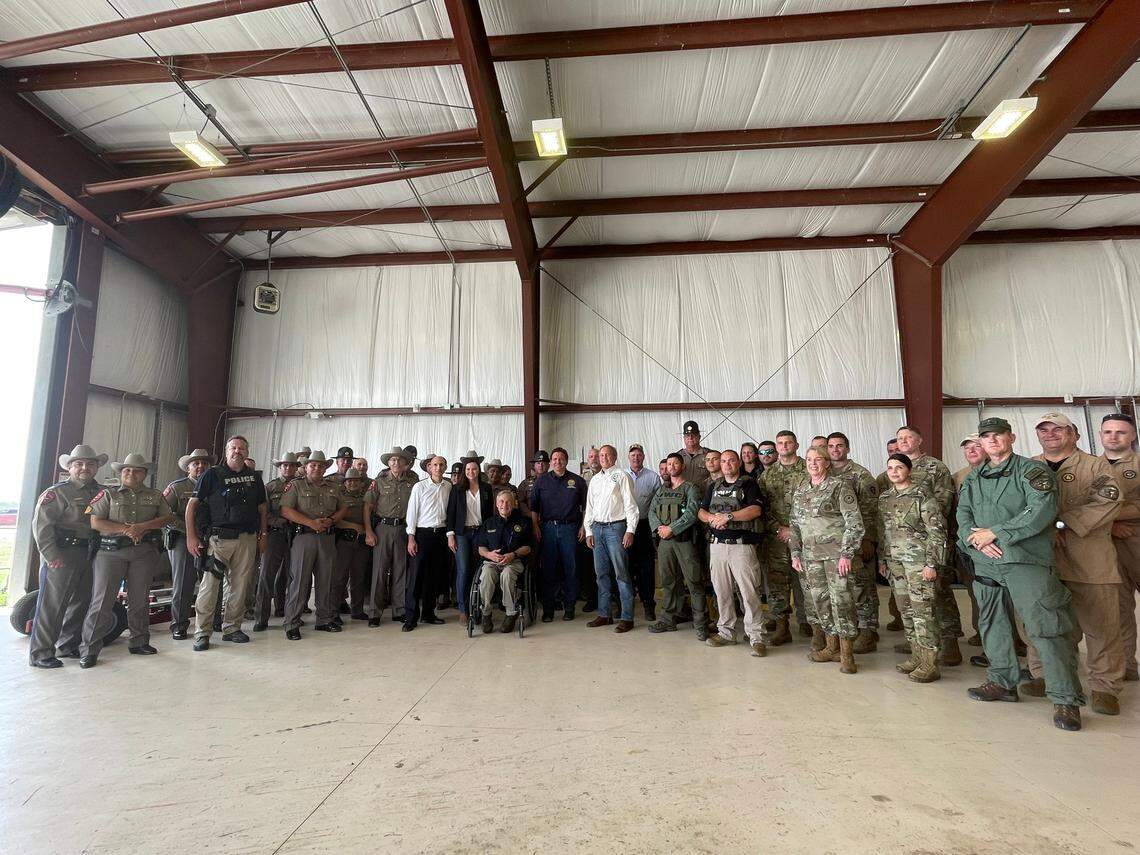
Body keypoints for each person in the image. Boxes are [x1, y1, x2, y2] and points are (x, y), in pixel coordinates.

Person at [958, 417, 1085, 732]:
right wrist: (975, 541)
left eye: (998, 435)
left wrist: (995, 534)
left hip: (1025, 560)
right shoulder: (975, 478)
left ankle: (1065, 699)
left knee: (1047, 627)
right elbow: (963, 515)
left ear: (1010, 437)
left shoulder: (1032, 472)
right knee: (993, 624)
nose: (992, 441)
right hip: (987, 562)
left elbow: (1040, 511)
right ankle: (1002, 681)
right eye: (985, 437)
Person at [1025, 413, 1123, 716]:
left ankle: (1105, 686)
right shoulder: (1029, 466)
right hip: (1043, 559)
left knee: (1100, 624)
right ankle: (1044, 674)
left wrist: (1059, 523)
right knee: (1042, 621)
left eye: (1059, 429)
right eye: (1044, 430)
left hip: (1089, 558)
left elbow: (1109, 500)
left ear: (1074, 435)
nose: (1051, 434)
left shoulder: (1095, 466)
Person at [81, 453, 174, 667]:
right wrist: (125, 529)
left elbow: (167, 518)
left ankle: (139, 641)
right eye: (127, 470)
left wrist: (143, 527)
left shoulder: (155, 495)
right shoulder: (108, 494)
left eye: (137, 470)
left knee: (139, 599)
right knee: (102, 601)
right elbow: (96, 522)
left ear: (145, 474)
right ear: (121, 473)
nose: (132, 473)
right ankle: (89, 649)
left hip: (143, 552)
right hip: (110, 553)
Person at [186, 435, 267, 651]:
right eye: (233, 447)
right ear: (226, 451)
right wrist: (191, 537)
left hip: (247, 539)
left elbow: (262, 509)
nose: (237, 451)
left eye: (242, 448)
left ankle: (232, 629)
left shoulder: (254, 478)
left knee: (240, 588)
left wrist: (263, 535)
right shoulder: (211, 475)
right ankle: (202, 633)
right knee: (209, 587)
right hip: (219, 540)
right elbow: (192, 506)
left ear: (247, 452)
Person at [28, 444, 106, 668]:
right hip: (63, 553)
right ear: (70, 467)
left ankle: (67, 645)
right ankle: (41, 653)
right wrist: (51, 555)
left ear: (96, 467)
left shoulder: (101, 492)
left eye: (90, 464)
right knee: (53, 604)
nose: (85, 468)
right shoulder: (58, 493)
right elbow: (41, 527)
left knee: (80, 602)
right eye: (79, 464)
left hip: (90, 552)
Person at [790, 448, 865, 674]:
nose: (813, 464)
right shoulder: (801, 491)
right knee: (820, 602)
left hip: (836, 557)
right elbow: (793, 525)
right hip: (811, 558)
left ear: (826, 462)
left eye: (818, 460)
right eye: (810, 460)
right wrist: (795, 553)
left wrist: (847, 554)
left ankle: (847, 654)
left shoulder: (839, 486)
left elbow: (855, 523)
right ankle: (831, 648)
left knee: (842, 602)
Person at [896, 424, 964, 666]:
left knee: (940, 592)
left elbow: (944, 502)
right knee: (912, 599)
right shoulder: (895, 467)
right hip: (903, 547)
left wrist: (924, 532)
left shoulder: (935, 467)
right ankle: (920, 643)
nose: (904, 441)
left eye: (908, 437)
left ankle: (950, 642)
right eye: (900, 438)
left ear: (920, 440)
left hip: (930, 542)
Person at [879, 453, 945, 683]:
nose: (894, 471)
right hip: (895, 563)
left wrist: (931, 563)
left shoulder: (922, 496)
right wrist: (883, 559)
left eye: (899, 467)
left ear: (908, 470)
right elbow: (883, 532)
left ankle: (930, 663)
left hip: (919, 564)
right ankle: (917, 656)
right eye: (890, 468)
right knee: (905, 610)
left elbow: (937, 532)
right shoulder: (885, 497)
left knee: (923, 611)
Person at [700, 449, 770, 656]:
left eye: (731, 460)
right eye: (723, 461)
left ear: (738, 462)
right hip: (717, 546)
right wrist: (713, 519)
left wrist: (728, 516)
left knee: (749, 593)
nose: (727, 464)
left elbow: (755, 510)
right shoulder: (713, 486)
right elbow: (701, 511)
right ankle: (726, 632)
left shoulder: (749, 484)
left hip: (741, 546)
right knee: (722, 592)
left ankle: (756, 636)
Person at [826, 432, 880, 652]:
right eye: (831, 446)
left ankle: (869, 630)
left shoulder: (860, 474)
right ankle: (851, 628)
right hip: (832, 542)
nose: (835, 450)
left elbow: (870, 510)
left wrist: (868, 540)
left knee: (862, 585)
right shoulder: (825, 472)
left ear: (847, 449)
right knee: (842, 588)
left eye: (840, 446)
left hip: (857, 540)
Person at [280, 451, 341, 639]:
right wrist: (310, 523)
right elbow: (285, 510)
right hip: (304, 537)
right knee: (299, 581)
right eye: (313, 465)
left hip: (327, 538)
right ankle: (292, 623)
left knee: (326, 580)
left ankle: (324, 620)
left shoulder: (333, 486)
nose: (317, 468)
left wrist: (332, 520)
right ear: (305, 467)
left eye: (321, 465)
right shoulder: (295, 485)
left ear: (325, 468)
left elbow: (343, 508)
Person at [647, 453, 705, 639]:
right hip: (665, 542)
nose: (671, 466)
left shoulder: (691, 489)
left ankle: (701, 623)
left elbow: (691, 513)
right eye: (669, 463)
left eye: (675, 463)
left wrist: (672, 528)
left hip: (684, 541)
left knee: (694, 580)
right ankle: (668, 618)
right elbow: (652, 512)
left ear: (683, 466)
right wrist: (659, 528)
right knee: (668, 581)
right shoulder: (662, 491)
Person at [1100, 413, 1140, 682]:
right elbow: (1079, 507)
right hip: (1108, 544)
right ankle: (1127, 664)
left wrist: (1108, 516)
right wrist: (1110, 524)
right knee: (1120, 609)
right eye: (1108, 432)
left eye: (1120, 432)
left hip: (1137, 540)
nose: (1113, 437)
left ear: (1133, 436)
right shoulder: (1091, 466)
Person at [583, 445, 639, 632]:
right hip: (597, 529)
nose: (604, 457)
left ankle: (627, 617)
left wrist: (630, 530)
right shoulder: (595, 480)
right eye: (601, 455)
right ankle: (604, 614)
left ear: (614, 457)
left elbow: (631, 505)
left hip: (616, 528)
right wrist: (589, 531)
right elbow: (589, 507)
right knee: (601, 574)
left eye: (607, 454)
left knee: (621, 574)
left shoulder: (622, 476)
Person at [761, 430, 808, 644]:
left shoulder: (809, 468)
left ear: (796, 445)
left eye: (788, 442)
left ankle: (809, 623)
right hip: (777, 538)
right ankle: (782, 626)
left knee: (805, 580)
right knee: (777, 582)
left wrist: (795, 530)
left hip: (805, 537)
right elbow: (761, 508)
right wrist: (777, 528)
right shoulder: (768, 475)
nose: (784, 446)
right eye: (780, 443)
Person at [530, 447, 587, 622]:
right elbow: (534, 507)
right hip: (547, 529)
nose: (557, 462)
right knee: (549, 570)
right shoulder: (541, 482)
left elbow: (586, 508)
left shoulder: (577, 481)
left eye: (561, 459)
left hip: (570, 529)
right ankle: (548, 609)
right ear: (550, 462)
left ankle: (569, 607)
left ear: (566, 460)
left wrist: (584, 527)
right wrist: (535, 526)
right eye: (554, 459)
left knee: (571, 569)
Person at [364, 447, 419, 626]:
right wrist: (369, 531)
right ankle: (374, 613)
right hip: (383, 528)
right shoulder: (378, 482)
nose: (396, 463)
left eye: (400, 460)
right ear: (388, 463)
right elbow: (367, 507)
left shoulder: (413, 482)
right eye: (393, 460)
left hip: (403, 528)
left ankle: (399, 610)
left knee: (400, 571)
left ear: (406, 464)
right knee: (379, 571)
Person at [163, 448, 212, 641]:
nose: (200, 466)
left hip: (208, 539)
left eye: (204, 463)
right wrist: (189, 530)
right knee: (184, 583)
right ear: (188, 467)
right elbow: (165, 515)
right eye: (196, 463)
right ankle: (179, 624)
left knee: (210, 583)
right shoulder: (177, 488)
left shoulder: (213, 486)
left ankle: (211, 622)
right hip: (183, 540)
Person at [473, 491, 534, 634]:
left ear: (513, 504)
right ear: (496, 504)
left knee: (507, 575)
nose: (504, 505)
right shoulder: (489, 523)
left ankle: (510, 613)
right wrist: (489, 554)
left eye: (508, 502)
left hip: (513, 562)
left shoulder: (523, 522)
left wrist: (513, 554)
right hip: (491, 562)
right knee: (486, 574)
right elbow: (480, 547)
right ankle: (486, 613)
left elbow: (528, 547)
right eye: (501, 502)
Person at [404, 455, 452, 631]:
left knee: (433, 576)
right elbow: (412, 512)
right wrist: (411, 538)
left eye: (441, 464)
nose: (438, 468)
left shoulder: (448, 486)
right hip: (422, 535)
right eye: (435, 465)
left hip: (440, 535)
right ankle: (411, 617)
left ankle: (428, 614)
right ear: (429, 468)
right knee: (416, 577)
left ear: (445, 467)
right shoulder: (419, 487)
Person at [447, 452, 494, 626]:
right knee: (464, 570)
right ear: (464, 471)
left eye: (474, 468)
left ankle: (479, 608)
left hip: (481, 533)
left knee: (481, 571)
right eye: (468, 469)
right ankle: (463, 610)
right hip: (462, 534)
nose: (471, 471)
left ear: (478, 470)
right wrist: (450, 535)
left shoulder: (487, 488)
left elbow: (490, 515)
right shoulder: (457, 489)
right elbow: (450, 513)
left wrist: (490, 535)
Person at [253, 452, 299, 631]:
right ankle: (261, 618)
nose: (288, 468)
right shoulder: (270, 487)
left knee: (293, 577)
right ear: (280, 467)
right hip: (275, 534)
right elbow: (262, 511)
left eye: (291, 465)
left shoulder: (301, 486)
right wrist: (276, 524)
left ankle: (290, 615)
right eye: (284, 465)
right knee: (266, 576)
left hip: (296, 535)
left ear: (296, 467)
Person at [625, 443, 661, 622]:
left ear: (643, 457)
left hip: (644, 526)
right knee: (626, 566)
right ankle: (626, 605)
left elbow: (657, 505)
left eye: (639, 455)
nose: (636, 458)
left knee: (646, 568)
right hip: (624, 528)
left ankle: (648, 605)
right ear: (628, 457)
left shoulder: (653, 477)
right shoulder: (620, 476)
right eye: (633, 455)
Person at [332, 467, 371, 621]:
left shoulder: (366, 498)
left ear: (361, 483)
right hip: (344, 541)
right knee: (340, 577)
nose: (353, 483)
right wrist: (353, 527)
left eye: (356, 480)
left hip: (361, 543)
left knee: (358, 577)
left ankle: (357, 610)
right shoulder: (338, 497)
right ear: (345, 482)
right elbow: (334, 520)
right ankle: (334, 612)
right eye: (349, 480)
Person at [675, 422, 711, 494]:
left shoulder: (709, 455)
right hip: (682, 496)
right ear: (684, 438)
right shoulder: (677, 457)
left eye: (693, 435)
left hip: (704, 495)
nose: (690, 438)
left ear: (699, 437)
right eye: (687, 435)